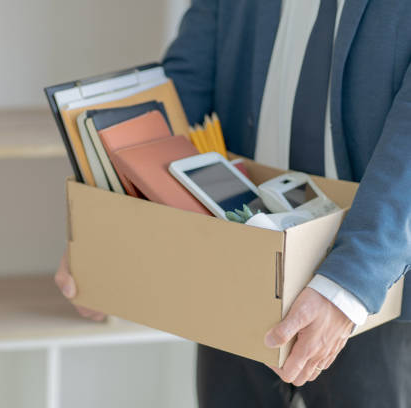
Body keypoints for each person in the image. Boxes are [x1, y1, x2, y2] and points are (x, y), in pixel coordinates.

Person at [55, 0, 411, 406]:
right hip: (234, 260)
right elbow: (184, 86)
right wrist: (109, 229)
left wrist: (350, 283)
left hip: (375, 284)